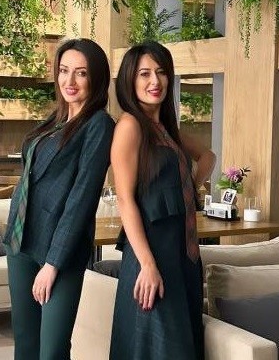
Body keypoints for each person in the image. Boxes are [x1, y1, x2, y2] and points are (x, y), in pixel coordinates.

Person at [3, 38, 115, 360]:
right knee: (25, 343)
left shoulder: (99, 125)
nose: (70, 80)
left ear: (96, 78)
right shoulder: (55, 119)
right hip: (21, 241)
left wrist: (53, 264)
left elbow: (82, 198)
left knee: (52, 351)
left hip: (60, 251)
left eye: (81, 73)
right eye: (64, 70)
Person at [109, 41, 216, 360]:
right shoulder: (130, 126)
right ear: (130, 80)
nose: (155, 81)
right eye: (144, 74)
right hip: (152, 256)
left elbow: (208, 157)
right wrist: (147, 264)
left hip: (183, 258)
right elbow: (125, 200)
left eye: (161, 72)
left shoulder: (166, 129)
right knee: (160, 348)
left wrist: (190, 187)